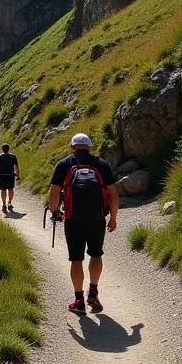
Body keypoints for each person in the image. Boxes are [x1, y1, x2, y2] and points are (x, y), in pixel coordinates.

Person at [48, 133, 119, 316]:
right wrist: (113, 218)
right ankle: (93, 292)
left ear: (73, 147)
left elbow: (55, 192)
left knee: (76, 258)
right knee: (96, 254)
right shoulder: (101, 164)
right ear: (89, 147)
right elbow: (113, 193)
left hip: (73, 219)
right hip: (97, 218)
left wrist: (55, 212)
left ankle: (79, 301)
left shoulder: (64, 164)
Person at [0, 143, 21, 212]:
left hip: (1, 176)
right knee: (10, 189)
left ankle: (4, 204)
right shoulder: (13, 156)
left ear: (2, 149)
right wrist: (18, 175)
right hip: (10, 175)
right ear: (9, 149)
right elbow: (16, 167)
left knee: (3, 190)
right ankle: (9, 203)